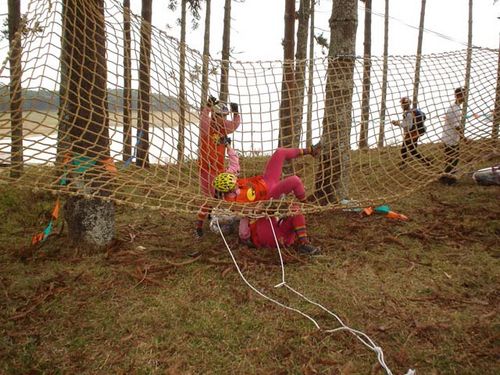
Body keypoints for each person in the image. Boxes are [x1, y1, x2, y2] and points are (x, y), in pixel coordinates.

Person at [196, 96, 241, 237]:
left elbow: (234, 125)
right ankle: (199, 226)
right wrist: (208, 107)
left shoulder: (223, 129)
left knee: (222, 195)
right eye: (220, 116)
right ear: (214, 116)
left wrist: (236, 113)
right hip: (206, 169)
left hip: (219, 169)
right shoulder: (207, 127)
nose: (223, 119)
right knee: (209, 199)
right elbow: (203, 120)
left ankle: (215, 215)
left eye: (225, 116)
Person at [238, 208, 321, 255]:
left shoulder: (247, 212)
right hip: (270, 236)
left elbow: (243, 234)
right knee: (296, 211)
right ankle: (304, 243)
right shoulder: (249, 212)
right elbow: (243, 234)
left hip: (277, 234)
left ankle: (304, 244)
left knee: (295, 211)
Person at [391, 97, 431, 168]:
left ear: (405, 105)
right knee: (411, 149)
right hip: (417, 132)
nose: (401, 106)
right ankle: (426, 161)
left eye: (402, 104)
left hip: (413, 133)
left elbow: (409, 126)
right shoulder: (413, 111)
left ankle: (425, 161)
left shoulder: (408, 114)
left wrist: (398, 124)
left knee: (406, 149)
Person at [439, 87, 466, 185]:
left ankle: (446, 177)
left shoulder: (456, 107)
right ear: (459, 95)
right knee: (453, 158)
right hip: (450, 138)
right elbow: (456, 126)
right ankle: (448, 179)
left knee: (450, 158)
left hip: (450, 137)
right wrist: (464, 137)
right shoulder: (454, 109)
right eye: (463, 95)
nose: (465, 97)